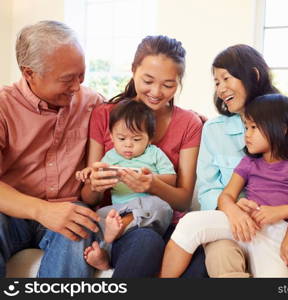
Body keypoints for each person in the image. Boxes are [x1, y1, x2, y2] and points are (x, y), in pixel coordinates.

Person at [197, 44, 288, 278]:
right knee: (221, 254)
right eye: (216, 82)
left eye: (226, 78)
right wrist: (233, 210)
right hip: (231, 224)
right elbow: (207, 190)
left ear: (253, 76)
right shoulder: (213, 131)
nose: (221, 89)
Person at [160, 94, 288, 277]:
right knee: (191, 223)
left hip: (278, 232)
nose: (247, 135)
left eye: (253, 128)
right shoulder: (249, 162)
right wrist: (235, 212)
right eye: (245, 127)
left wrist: (281, 211)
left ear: (282, 130)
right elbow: (226, 196)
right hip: (245, 224)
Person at [83, 35, 205, 277]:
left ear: (179, 82)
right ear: (133, 70)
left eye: (168, 85)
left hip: (169, 220)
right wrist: (95, 184)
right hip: (119, 225)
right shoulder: (105, 115)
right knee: (146, 242)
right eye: (147, 80)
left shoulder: (188, 123)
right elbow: (89, 196)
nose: (156, 92)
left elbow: (182, 199)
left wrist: (153, 185)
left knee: (201, 258)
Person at [0, 20, 103, 277]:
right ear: (29, 73)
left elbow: (133, 113)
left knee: (80, 226)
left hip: (70, 209)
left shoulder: (91, 103)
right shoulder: (3, 107)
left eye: (81, 75)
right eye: (68, 79)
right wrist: (43, 210)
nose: (77, 86)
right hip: (11, 212)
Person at [77, 99, 175, 271]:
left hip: (147, 207)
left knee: (163, 207)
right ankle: (104, 255)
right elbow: (97, 174)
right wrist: (89, 174)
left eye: (136, 139)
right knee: (98, 216)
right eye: (121, 138)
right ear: (111, 136)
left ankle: (119, 230)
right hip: (118, 209)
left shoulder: (154, 154)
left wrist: (150, 179)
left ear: (149, 139)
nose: (128, 144)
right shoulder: (110, 157)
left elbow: (171, 179)